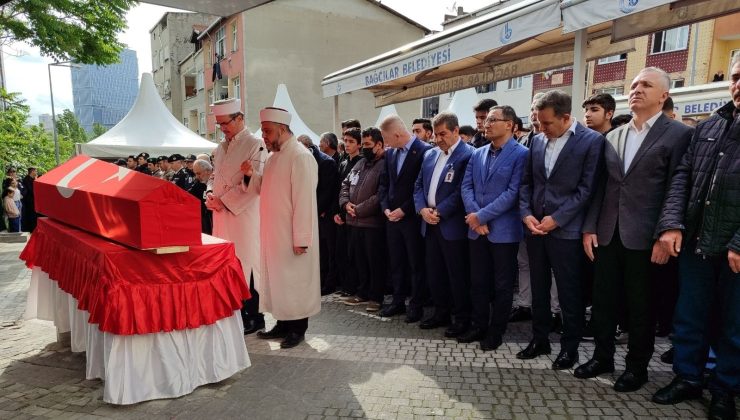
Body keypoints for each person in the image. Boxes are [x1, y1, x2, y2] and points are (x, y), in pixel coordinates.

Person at [576, 67, 693, 393]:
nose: (637, 89)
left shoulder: (678, 135)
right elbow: (602, 187)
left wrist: (666, 233)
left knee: (641, 307)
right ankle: (602, 357)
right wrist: (589, 228)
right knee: (603, 301)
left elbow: (677, 187)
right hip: (608, 233)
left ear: (663, 95)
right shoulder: (613, 135)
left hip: (647, 238)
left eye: (646, 85)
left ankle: (637, 367)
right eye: (634, 84)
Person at [651, 57, 740, 419]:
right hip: (697, 243)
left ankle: (724, 389)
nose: (739, 84)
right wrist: (671, 224)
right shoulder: (708, 126)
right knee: (689, 317)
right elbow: (682, 178)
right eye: (736, 76)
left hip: (735, 251)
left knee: (734, 326)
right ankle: (687, 377)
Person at [518, 90, 604, 370]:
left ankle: (570, 348)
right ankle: (539, 339)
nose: (541, 129)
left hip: (566, 231)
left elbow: (587, 189)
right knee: (539, 290)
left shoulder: (592, 142)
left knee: (569, 293)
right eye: (539, 124)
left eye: (547, 124)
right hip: (535, 228)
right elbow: (526, 183)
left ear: (566, 117)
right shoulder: (537, 140)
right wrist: (527, 215)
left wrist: (557, 219)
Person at [460, 105, 528, 351]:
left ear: (509, 124)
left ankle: (496, 331)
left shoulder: (521, 154)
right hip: (476, 229)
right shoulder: (477, 154)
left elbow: (513, 193)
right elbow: (466, 187)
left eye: (492, 120)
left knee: (502, 285)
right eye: (486, 120)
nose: (486, 124)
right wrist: (476, 217)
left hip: (504, 231)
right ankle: (478, 325)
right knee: (477, 281)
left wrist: (481, 216)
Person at [252, 107, 320, 349]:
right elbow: (265, 190)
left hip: (292, 236)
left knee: (295, 282)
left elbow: (305, 202)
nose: (264, 137)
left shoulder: (300, 156)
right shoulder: (272, 157)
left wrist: (301, 237)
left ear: (282, 129)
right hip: (273, 234)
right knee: (280, 283)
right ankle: (282, 323)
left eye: (268, 131)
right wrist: (251, 175)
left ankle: (298, 329)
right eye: (263, 132)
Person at [206, 98, 267, 336]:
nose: (223, 128)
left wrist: (224, 201)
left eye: (226, 123)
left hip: (244, 215)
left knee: (247, 263)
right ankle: (234, 312)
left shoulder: (255, 143)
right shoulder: (220, 148)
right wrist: (209, 193)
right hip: (221, 215)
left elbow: (253, 183)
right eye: (219, 124)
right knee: (227, 263)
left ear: (240, 118)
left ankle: (255, 315)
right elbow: (213, 176)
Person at [414, 112, 474, 336]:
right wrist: (422, 209)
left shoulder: (468, 155)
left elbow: (462, 190)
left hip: (452, 225)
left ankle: (462, 317)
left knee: (457, 275)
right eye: (436, 134)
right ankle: (440, 312)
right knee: (435, 272)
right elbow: (418, 185)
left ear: (456, 131)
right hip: (429, 223)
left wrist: (439, 211)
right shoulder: (430, 155)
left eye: (443, 134)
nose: (438, 139)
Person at [511, 92, 561, 327]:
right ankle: (525, 303)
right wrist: (525, 212)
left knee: (551, 270)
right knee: (525, 263)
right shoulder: (527, 142)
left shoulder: (568, 140)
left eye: (539, 111)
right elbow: (524, 181)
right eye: (532, 109)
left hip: (555, 220)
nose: (534, 115)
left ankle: (553, 310)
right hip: (527, 217)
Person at [377, 115, 432, 322]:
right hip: (392, 218)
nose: (385, 143)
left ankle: (416, 304)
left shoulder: (425, 152)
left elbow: (423, 188)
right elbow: (385, 184)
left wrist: (404, 209)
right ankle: (398, 301)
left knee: (415, 263)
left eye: (386, 138)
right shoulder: (390, 154)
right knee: (396, 262)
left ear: (397, 134)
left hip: (412, 219)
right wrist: (385, 208)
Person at [338, 127, 387, 312]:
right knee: (359, 260)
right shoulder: (360, 164)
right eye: (364, 144)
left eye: (368, 144)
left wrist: (358, 209)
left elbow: (379, 195)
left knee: (375, 261)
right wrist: (345, 204)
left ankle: (376, 296)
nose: (365, 148)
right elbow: (345, 184)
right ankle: (362, 291)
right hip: (353, 221)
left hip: (372, 223)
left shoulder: (384, 164)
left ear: (379, 144)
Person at [297, 134, 339, 295]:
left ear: (307, 147)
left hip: (325, 213)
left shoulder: (325, 162)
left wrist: (314, 210)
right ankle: (317, 281)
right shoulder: (306, 159)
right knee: (318, 250)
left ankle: (329, 283)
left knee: (328, 250)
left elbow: (327, 192)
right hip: (313, 211)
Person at [333, 127, 364, 297]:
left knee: (354, 254)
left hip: (354, 214)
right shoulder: (344, 162)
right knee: (342, 253)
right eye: (345, 141)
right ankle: (346, 285)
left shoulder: (362, 162)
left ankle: (355, 286)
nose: (347, 144)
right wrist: (337, 212)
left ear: (359, 144)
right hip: (341, 213)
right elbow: (340, 189)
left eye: (351, 141)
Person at [189, 159, 213, 235]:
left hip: (215, 219)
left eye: (198, 173)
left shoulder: (217, 181)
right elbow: (188, 195)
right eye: (195, 174)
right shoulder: (198, 183)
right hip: (203, 220)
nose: (196, 177)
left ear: (208, 171)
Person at [21, 167, 37, 232]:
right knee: (30, 215)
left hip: (33, 200)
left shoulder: (32, 179)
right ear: (32, 171)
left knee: (33, 215)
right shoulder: (26, 180)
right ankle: (31, 229)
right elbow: (30, 190)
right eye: (35, 171)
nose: (36, 172)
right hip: (29, 201)